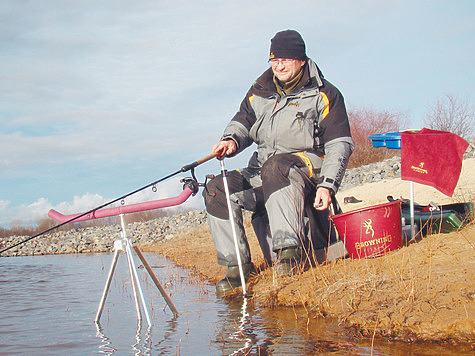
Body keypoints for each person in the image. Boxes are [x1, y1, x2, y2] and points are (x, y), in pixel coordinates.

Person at [203, 29, 353, 293]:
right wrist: (231, 140)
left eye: (285, 59)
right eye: (274, 60)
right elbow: (243, 121)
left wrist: (327, 185)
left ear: (301, 60)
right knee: (217, 187)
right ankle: (237, 266)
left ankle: (288, 255)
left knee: (277, 167)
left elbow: (339, 145)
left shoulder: (325, 93)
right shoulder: (259, 91)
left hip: (305, 169)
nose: (278, 65)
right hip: (263, 172)